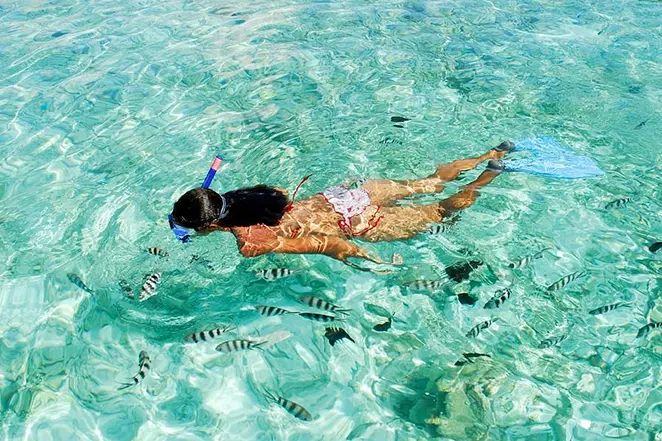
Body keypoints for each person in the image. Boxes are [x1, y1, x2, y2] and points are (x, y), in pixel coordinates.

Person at [171, 142, 514, 264]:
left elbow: (324, 244)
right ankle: (491, 154)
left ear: (208, 225)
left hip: (362, 223)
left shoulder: (251, 243)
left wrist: (364, 259)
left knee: (441, 211)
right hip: (352, 195)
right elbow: (285, 200)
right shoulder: (255, 193)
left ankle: (488, 178)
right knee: (431, 182)